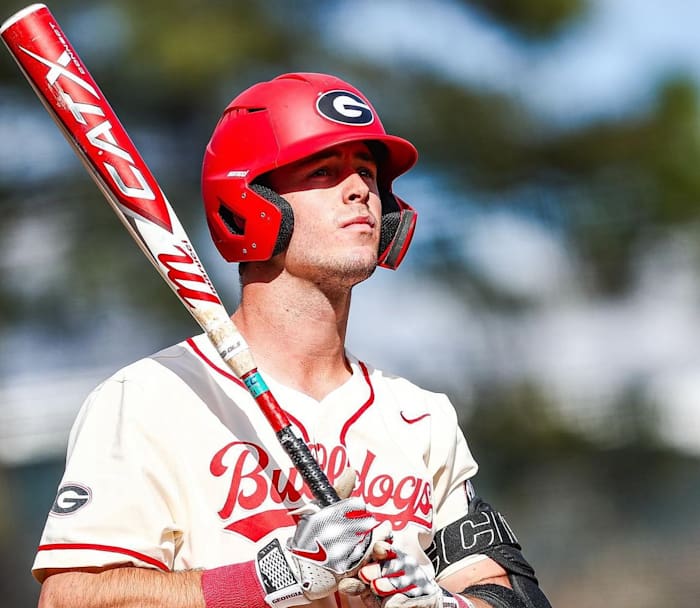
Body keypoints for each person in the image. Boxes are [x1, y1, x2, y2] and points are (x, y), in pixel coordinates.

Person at [32, 73, 553, 608]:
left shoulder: (421, 417)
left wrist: (449, 605)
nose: (360, 191)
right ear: (250, 202)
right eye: (325, 171)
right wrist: (274, 575)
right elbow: (71, 598)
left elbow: (511, 588)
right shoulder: (150, 399)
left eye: (367, 173)